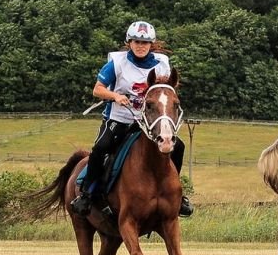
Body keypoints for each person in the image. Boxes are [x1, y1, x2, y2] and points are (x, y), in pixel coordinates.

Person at [71, 21, 194, 217]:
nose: (140, 45)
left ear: (151, 44)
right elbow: (98, 89)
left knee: (178, 147)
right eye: (136, 41)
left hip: (148, 122)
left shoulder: (162, 63)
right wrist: (115, 96)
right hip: (120, 117)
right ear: (129, 42)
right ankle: (87, 193)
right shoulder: (117, 63)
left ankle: (177, 195)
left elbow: (166, 91)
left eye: (145, 42)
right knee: (102, 147)